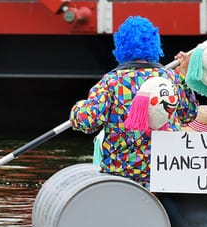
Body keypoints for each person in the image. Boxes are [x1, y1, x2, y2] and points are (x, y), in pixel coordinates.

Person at [70, 16, 198, 185]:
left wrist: (77, 108)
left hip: (123, 173)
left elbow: (87, 122)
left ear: (120, 47)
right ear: (154, 45)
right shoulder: (172, 79)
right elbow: (189, 114)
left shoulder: (111, 82)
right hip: (166, 171)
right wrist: (184, 75)